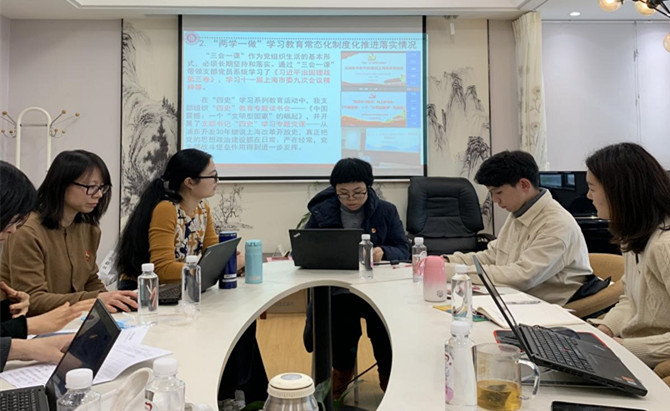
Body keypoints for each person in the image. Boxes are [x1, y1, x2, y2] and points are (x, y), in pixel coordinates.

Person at [116, 148, 267, 403]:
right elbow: (162, 268)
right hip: (148, 296)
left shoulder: (202, 209)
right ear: (189, 182)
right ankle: (231, 396)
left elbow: (211, 253)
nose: (217, 181)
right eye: (212, 176)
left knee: (240, 324)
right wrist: (210, 268)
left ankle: (238, 395)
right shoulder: (166, 209)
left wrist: (229, 261)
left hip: (182, 291)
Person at [303, 157, 410, 398]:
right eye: (344, 193)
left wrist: (384, 252)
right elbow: (308, 248)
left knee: (383, 328)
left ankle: (387, 378)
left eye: (358, 192)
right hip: (339, 290)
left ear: (368, 187)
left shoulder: (386, 211)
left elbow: (404, 250)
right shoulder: (322, 212)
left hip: (379, 289)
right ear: (335, 190)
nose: (351, 199)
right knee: (342, 325)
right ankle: (341, 373)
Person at [443, 150, 592, 305]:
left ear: (524, 185)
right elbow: (493, 256)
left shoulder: (556, 224)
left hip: (549, 308)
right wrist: (447, 260)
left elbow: (522, 277)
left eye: (498, 192)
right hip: (517, 298)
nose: (494, 200)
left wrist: (452, 271)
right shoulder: (519, 212)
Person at [0, 151, 137, 315]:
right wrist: (95, 299)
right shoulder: (26, 231)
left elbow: (90, 281)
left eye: (102, 188)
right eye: (91, 187)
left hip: (73, 320)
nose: (99, 194)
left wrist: (116, 300)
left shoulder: (90, 230)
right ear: (62, 185)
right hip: (33, 323)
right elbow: (33, 300)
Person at [586, 143, 670, 368]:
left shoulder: (664, 246)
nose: (588, 195)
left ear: (618, 191)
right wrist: (604, 331)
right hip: (629, 348)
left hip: (650, 361)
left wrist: (623, 347)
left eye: (592, 188)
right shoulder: (633, 237)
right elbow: (631, 299)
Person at [0, 160, 78, 371]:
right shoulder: (30, 233)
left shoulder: (88, 229)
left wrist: (8, 309)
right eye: (11, 220)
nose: (13, 230)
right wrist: (26, 340)